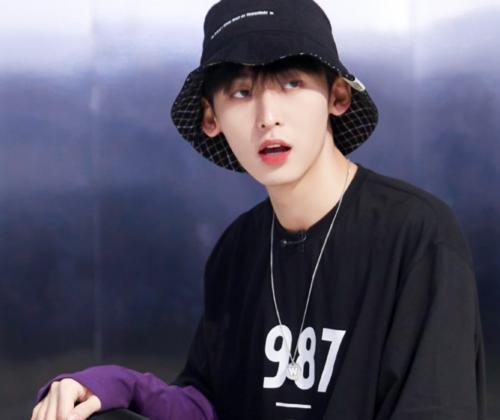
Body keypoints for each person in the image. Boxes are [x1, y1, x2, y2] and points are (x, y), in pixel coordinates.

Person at [31, 0, 487, 419]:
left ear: (337, 97)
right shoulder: (237, 251)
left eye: (291, 83)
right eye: (241, 92)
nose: (268, 116)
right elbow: (210, 405)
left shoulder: (416, 235)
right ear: (211, 119)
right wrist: (118, 386)